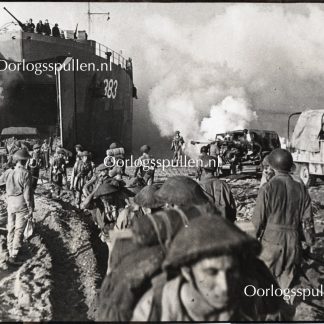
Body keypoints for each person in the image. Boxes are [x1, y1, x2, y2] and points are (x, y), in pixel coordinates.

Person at [132, 214, 291, 321]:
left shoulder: (251, 296)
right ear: (187, 272)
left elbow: (282, 313)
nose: (224, 286)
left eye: (231, 271)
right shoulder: (154, 308)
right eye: (211, 272)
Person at [252, 148, 315, 290]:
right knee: (286, 286)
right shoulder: (301, 188)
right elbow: (307, 221)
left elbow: (257, 221)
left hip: (271, 243)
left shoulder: (267, 188)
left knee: (265, 287)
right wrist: (310, 242)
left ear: (272, 167)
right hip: (293, 243)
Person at [0, 149, 34, 264]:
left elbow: (1, 181)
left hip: (10, 202)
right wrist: (30, 209)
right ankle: (13, 256)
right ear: (25, 161)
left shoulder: (9, 171)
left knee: (11, 226)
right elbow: (27, 194)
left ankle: (9, 250)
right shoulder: (26, 173)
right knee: (19, 229)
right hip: (21, 203)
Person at [198, 154, 236, 222]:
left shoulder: (197, 187)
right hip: (223, 227)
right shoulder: (224, 185)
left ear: (202, 169)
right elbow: (232, 211)